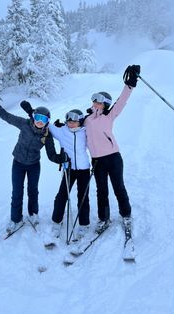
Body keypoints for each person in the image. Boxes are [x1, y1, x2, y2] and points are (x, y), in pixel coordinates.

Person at [0, 86, 68, 234]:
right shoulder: (24, 124)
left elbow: (51, 154)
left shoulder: (47, 136)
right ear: (34, 118)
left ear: (47, 121)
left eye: (44, 119)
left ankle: (33, 214)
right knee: (17, 192)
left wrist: (61, 158)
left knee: (33, 191)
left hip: (34, 165)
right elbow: (6, 116)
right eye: (38, 118)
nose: (40, 121)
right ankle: (16, 219)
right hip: (18, 163)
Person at [84, 65, 140, 232]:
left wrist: (130, 84)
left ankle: (126, 215)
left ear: (105, 104)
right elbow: (73, 128)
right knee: (101, 191)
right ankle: (103, 219)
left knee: (118, 187)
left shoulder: (110, 115)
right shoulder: (85, 119)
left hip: (113, 158)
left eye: (99, 101)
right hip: (97, 160)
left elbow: (121, 101)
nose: (95, 102)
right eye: (94, 100)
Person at [48, 109, 91, 239]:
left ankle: (84, 224)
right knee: (62, 195)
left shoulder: (86, 132)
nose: (71, 124)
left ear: (80, 122)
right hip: (69, 168)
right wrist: (32, 113)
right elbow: (46, 124)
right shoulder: (62, 132)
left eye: (74, 122)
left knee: (83, 197)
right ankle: (57, 221)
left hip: (84, 169)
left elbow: (96, 142)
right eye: (69, 121)